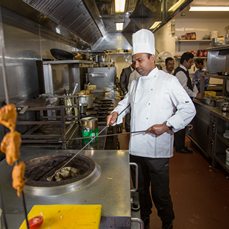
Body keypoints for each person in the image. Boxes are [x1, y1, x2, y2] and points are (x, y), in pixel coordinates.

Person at [107, 29, 196, 229]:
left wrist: (166, 126)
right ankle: (143, 222)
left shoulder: (169, 81)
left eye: (139, 61)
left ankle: (167, 223)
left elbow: (188, 109)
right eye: (134, 61)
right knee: (139, 192)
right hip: (136, 148)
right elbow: (126, 103)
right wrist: (115, 113)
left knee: (160, 193)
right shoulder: (136, 82)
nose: (135, 65)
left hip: (157, 149)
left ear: (152, 58)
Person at [174, 52, 203, 154]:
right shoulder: (181, 72)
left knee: (181, 125)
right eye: (190, 62)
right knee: (181, 125)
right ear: (185, 61)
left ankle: (178, 144)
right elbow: (184, 88)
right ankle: (180, 147)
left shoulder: (183, 71)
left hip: (181, 102)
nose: (191, 64)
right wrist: (195, 95)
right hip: (181, 103)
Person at [120, 63, 135, 132]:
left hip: (135, 95)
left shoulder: (138, 72)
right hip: (128, 95)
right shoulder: (125, 70)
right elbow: (121, 83)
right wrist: (126, 92)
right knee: (128, 111)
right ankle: (127, 127)